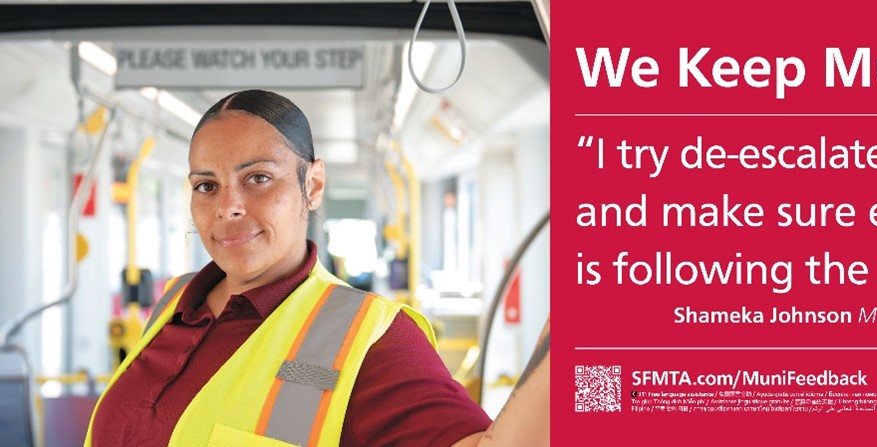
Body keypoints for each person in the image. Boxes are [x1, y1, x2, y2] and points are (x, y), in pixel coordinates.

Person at [84, 89, 549, 446]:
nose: (227, 207)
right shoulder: (176, 300)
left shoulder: (369, 338)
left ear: (314, 184)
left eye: (259, 178)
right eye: (206, 186)